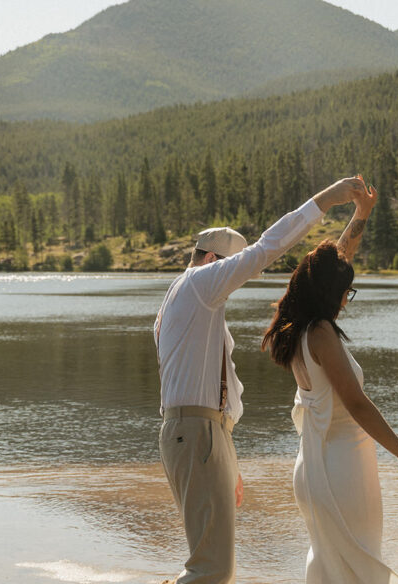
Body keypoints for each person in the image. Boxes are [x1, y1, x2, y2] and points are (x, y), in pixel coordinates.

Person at [155, 175, 368, 584]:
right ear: (215, 262)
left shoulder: (177, 301)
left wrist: (225, 458)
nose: (239, 280)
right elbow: (270, 246)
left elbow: (201, 383)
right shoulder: (201, 285)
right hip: (196, 432)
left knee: (211, 565)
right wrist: (327, 199)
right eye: (236, 270)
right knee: (211, 570)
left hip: (197, 432)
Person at [262, 179, 398, 584]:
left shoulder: (296, 328)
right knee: (359, 568)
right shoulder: (320, 333)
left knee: (330, 566)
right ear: (330, 293)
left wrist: (361, 215)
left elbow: (333, 265)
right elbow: (356, 403)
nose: (345, 299)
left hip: (316, 466)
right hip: (341, 469)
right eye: (345, 293)